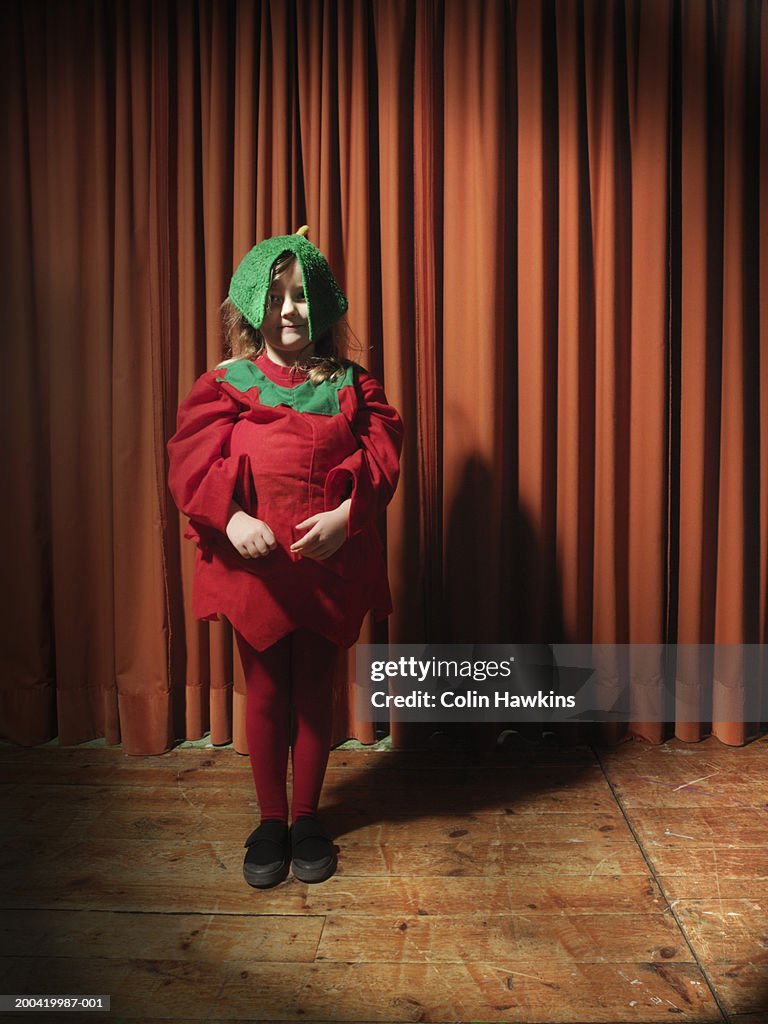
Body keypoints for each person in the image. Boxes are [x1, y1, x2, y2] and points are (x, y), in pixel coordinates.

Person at [167, 227, 403, 888]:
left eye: (301, 296)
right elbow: (190, 460)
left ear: (320, 305)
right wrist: (232, 516)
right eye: (276, 297)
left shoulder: (352, 385)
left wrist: (347, 514)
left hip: (328, 566)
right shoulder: (227, 382)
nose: (290, 309)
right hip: (259, 574)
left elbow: (383, 450)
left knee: (313, 692)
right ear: (254, 308)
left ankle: (307, 819)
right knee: (267, 691)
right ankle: (270, 822)